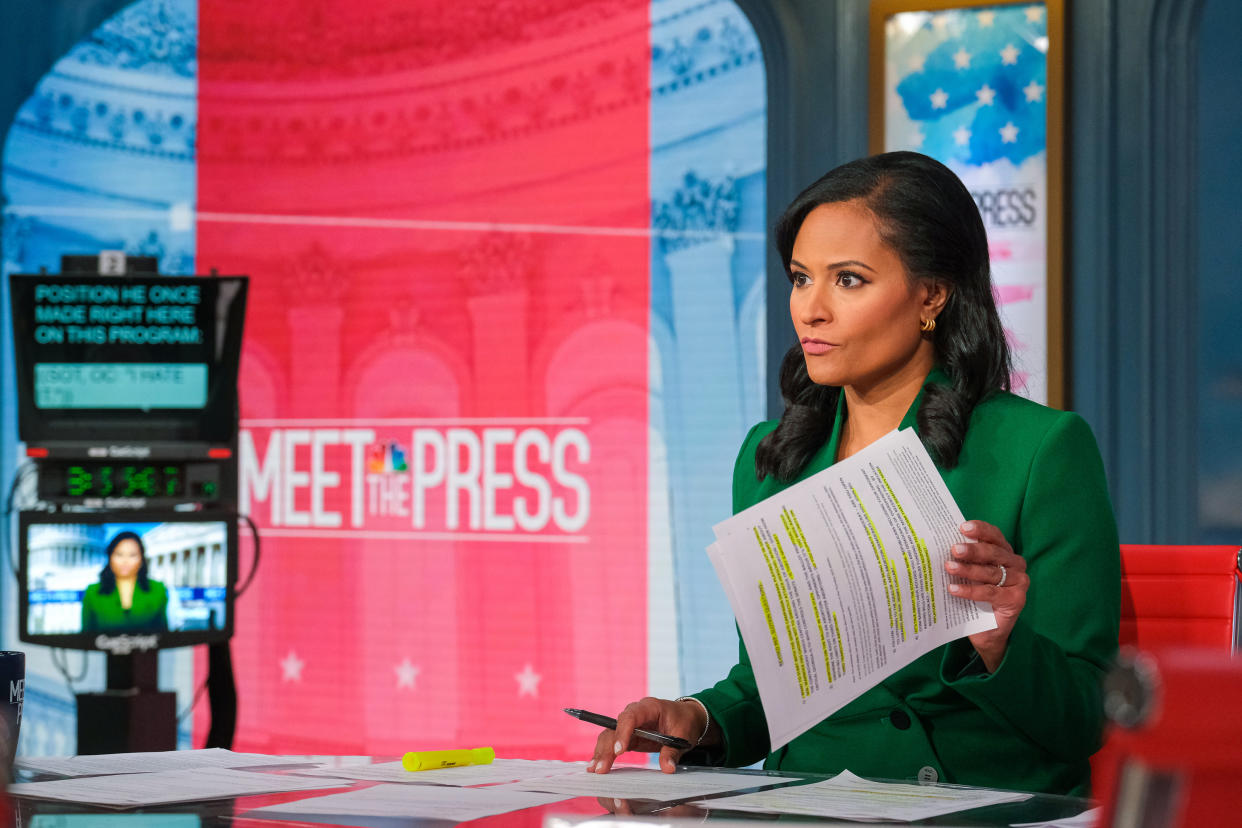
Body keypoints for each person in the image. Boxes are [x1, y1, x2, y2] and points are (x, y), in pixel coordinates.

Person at [588, 151, 1119, 797]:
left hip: (972, 807)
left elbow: (1085, 718)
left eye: (848, 280)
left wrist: (1002, 642)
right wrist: (696, 721)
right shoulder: (770, 456)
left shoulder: (1041, 450)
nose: (810, 309)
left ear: (932, 294)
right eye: (800, 277)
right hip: (807, 804)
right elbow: (772, 693)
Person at [81, 531, 170, 633]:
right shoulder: (92, 592)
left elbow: (163, 635)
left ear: (141, 559)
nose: (125, 561)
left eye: (132, 555)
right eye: (119, 554)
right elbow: (86, 637)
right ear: (110, 557)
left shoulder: (158, 589)